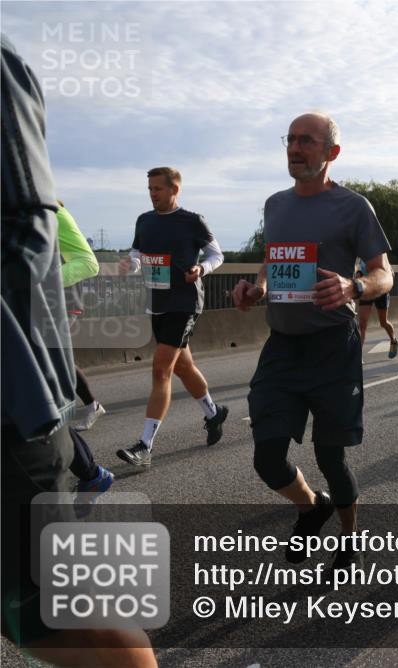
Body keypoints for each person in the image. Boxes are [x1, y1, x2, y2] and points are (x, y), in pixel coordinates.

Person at [2, 33, 157, 667]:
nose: (154, 196)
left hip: (18, 390)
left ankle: (100, 452)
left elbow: (65, 257)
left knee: (47, 618)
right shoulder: (148, 227)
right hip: (46, 352)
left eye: (160, 186)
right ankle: (89, 459)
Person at [232, 112, 392, 569]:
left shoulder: (354, 207)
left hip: (331, 347)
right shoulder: (275, 205)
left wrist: (354, 286)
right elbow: (271, 260)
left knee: (330, 455)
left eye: (307, 141)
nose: (295, 148)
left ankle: (348, 536)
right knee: (267, 458)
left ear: (331, 153)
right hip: (282, 346)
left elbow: (384, 273)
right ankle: (310, 506)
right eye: (291, 139)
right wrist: (257, 288)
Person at [116, 167, 228, 467]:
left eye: (158, 189)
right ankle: (213, 413)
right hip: (157, 303)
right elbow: (138, 256)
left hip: (185, 302)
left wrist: (201, 269)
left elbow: (217, 255)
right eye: (150, 189)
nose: (153, 194)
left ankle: (144, 446)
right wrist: (132, 265)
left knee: (161, 369)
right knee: (183, 367)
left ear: (174, 189)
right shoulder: (145, 220)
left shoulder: (192, 221)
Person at [55, 202, 115, 499]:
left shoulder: (48, 211)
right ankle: (90, 474)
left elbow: (88, 263)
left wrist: (38, 281)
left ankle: (89, 472)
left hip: (59, 302)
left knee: (48, 381)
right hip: (33, 307)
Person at [356, 258, 398, 358]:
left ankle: (393, 340)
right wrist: (358, 274)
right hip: (367, 289)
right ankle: (358, 356)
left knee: (383, 322)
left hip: (380, 290)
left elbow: (390, 274)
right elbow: (357, 269)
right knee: (362, 325)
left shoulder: (380, 254)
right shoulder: (360, 256)